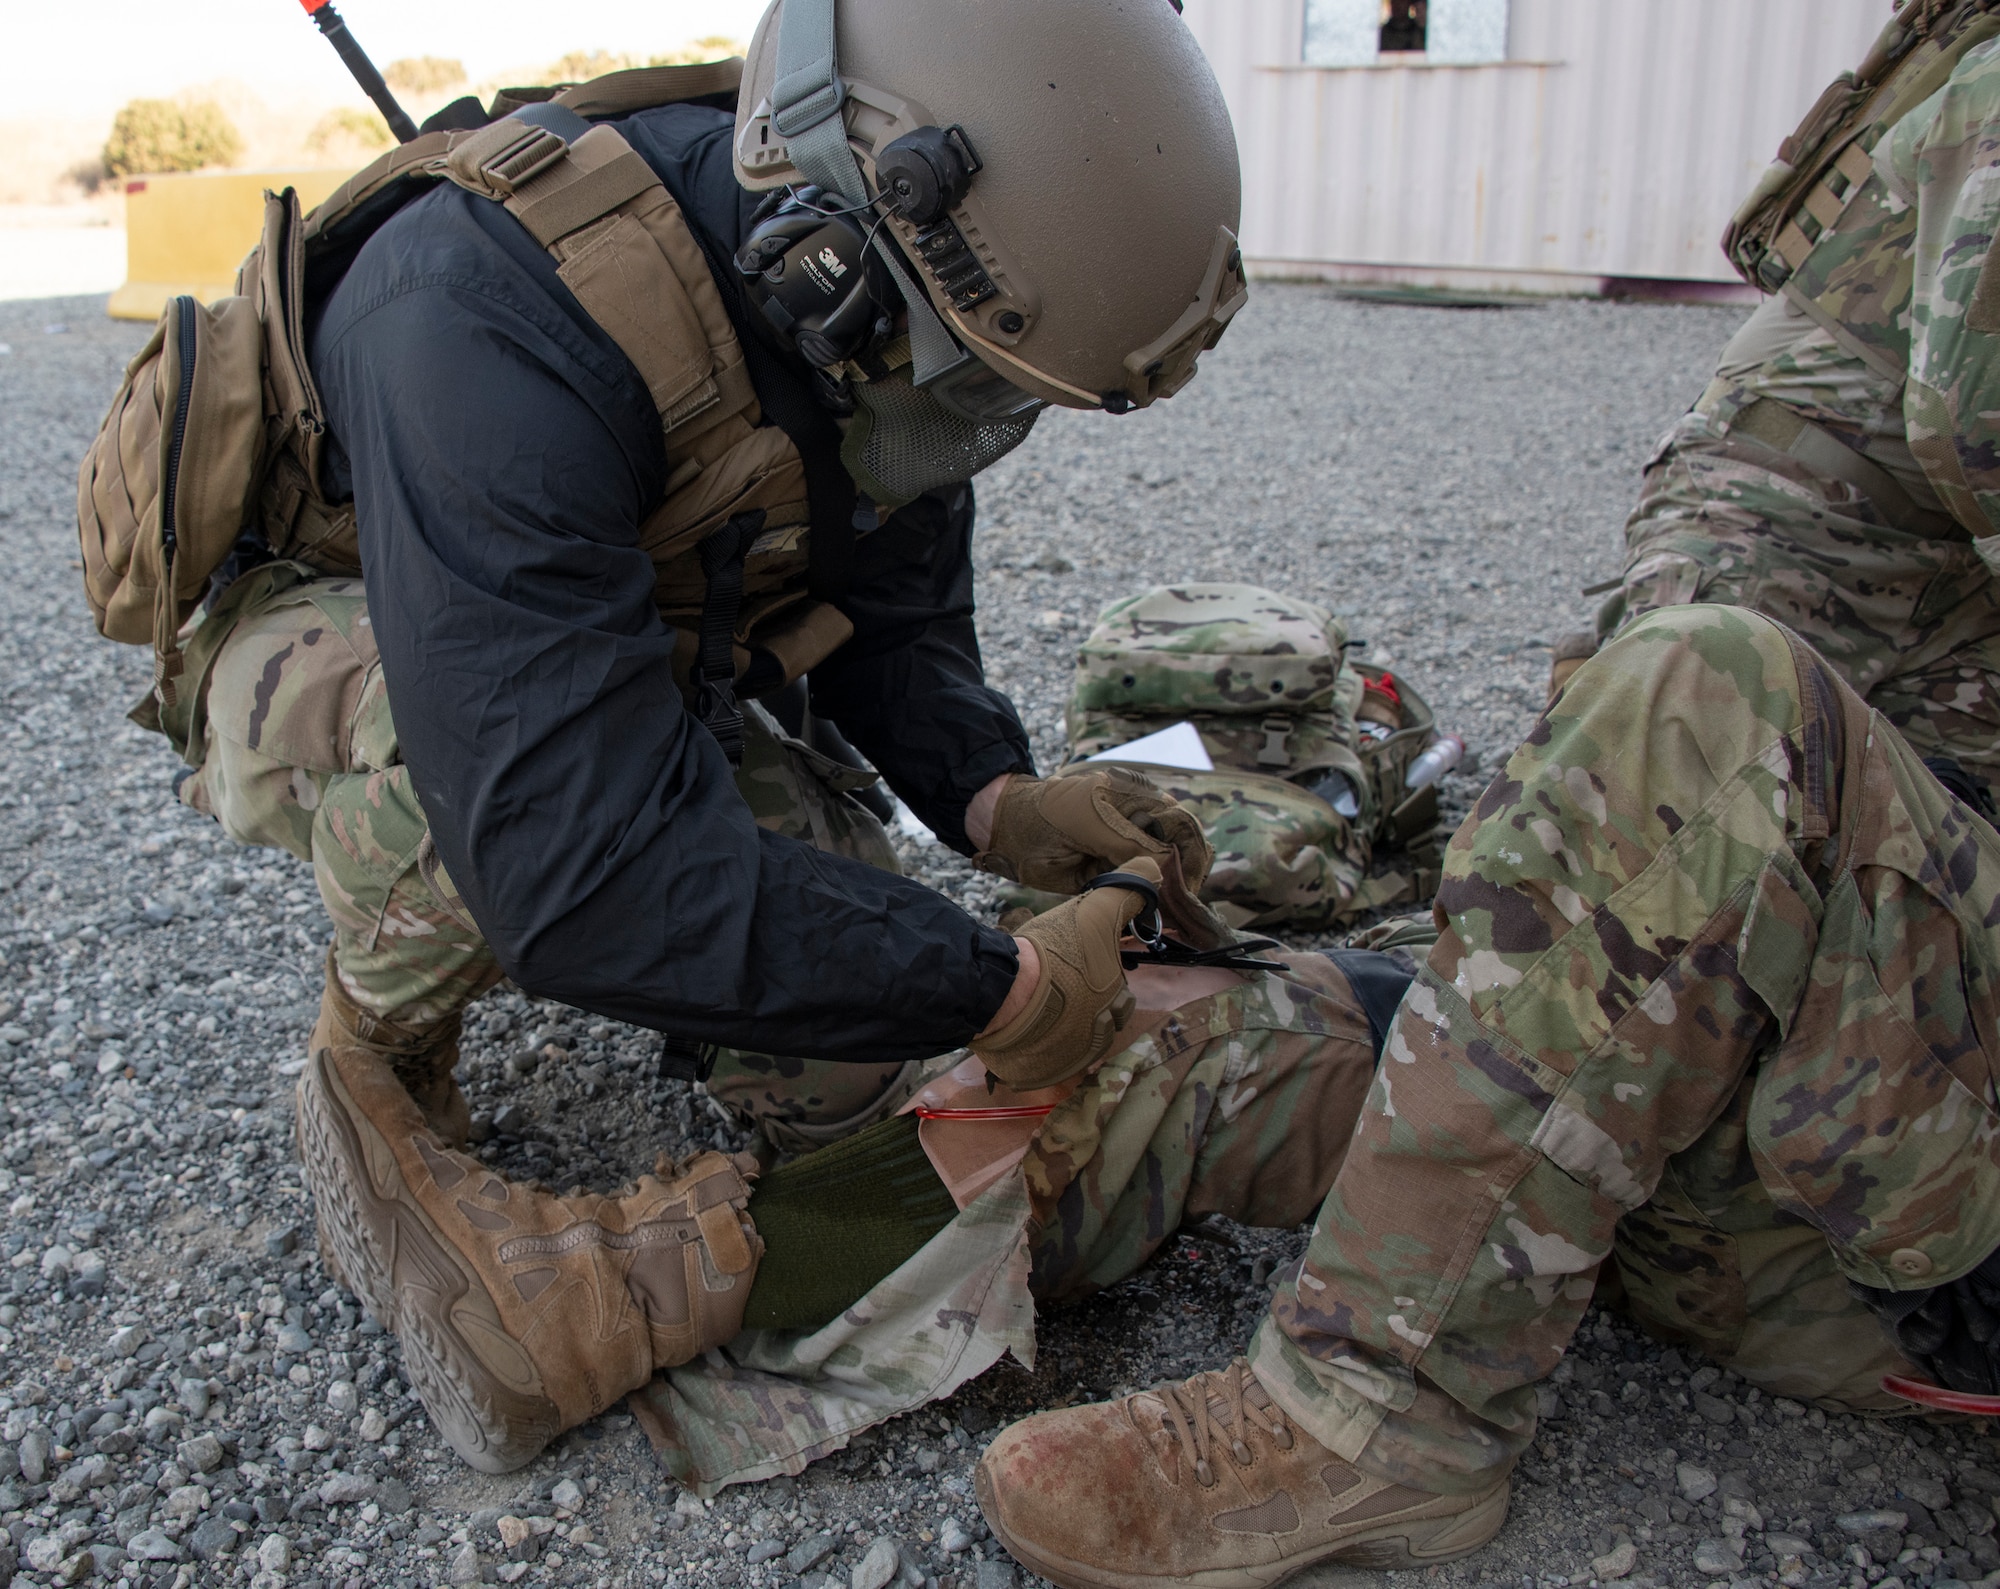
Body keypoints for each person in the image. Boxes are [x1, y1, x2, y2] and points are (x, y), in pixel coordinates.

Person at [132, 0, 1245, 1474]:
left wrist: (997, 799)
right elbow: (575, 870)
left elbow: (892, 605)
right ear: (838, 244)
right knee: (471, 799)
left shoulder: (886, 307)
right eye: (964, 376)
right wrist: (1006, 979)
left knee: (847, 1053)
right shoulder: (477, 306)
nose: (965, 415)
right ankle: (369, 1065)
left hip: (583, 616)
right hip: (325, 628)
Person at [972, 603, 2000, 1587]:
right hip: (1757, 1166)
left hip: (1930, 1254)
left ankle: (1376, 1402)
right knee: (1172, 1028)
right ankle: (835, 1247)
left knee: (1700, 686)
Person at [1563, 2, 2000, 802]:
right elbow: (1968, 416)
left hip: (1942, 559)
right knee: (1656, 884)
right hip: (1792, 516)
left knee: (1946, 884)